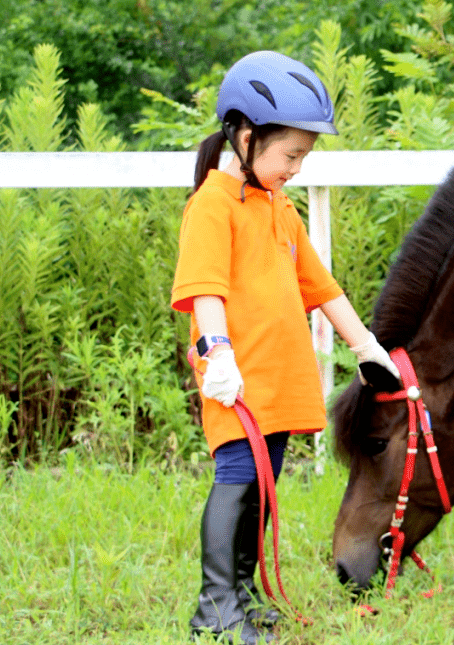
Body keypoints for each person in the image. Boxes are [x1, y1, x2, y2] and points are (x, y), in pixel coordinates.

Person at [171, 50, 400, 643]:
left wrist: (367, 347)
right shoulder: (213, 205)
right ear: (246, 138)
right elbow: (204, 290)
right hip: (239, 379)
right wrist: (216, 351)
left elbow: (321, 287)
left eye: (304, 156)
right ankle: (215, 607)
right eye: (290, 154)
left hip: (278, 378)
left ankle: (242, 594)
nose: (297, 167)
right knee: (238, 480)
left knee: (264, 486)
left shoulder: (278, 208)